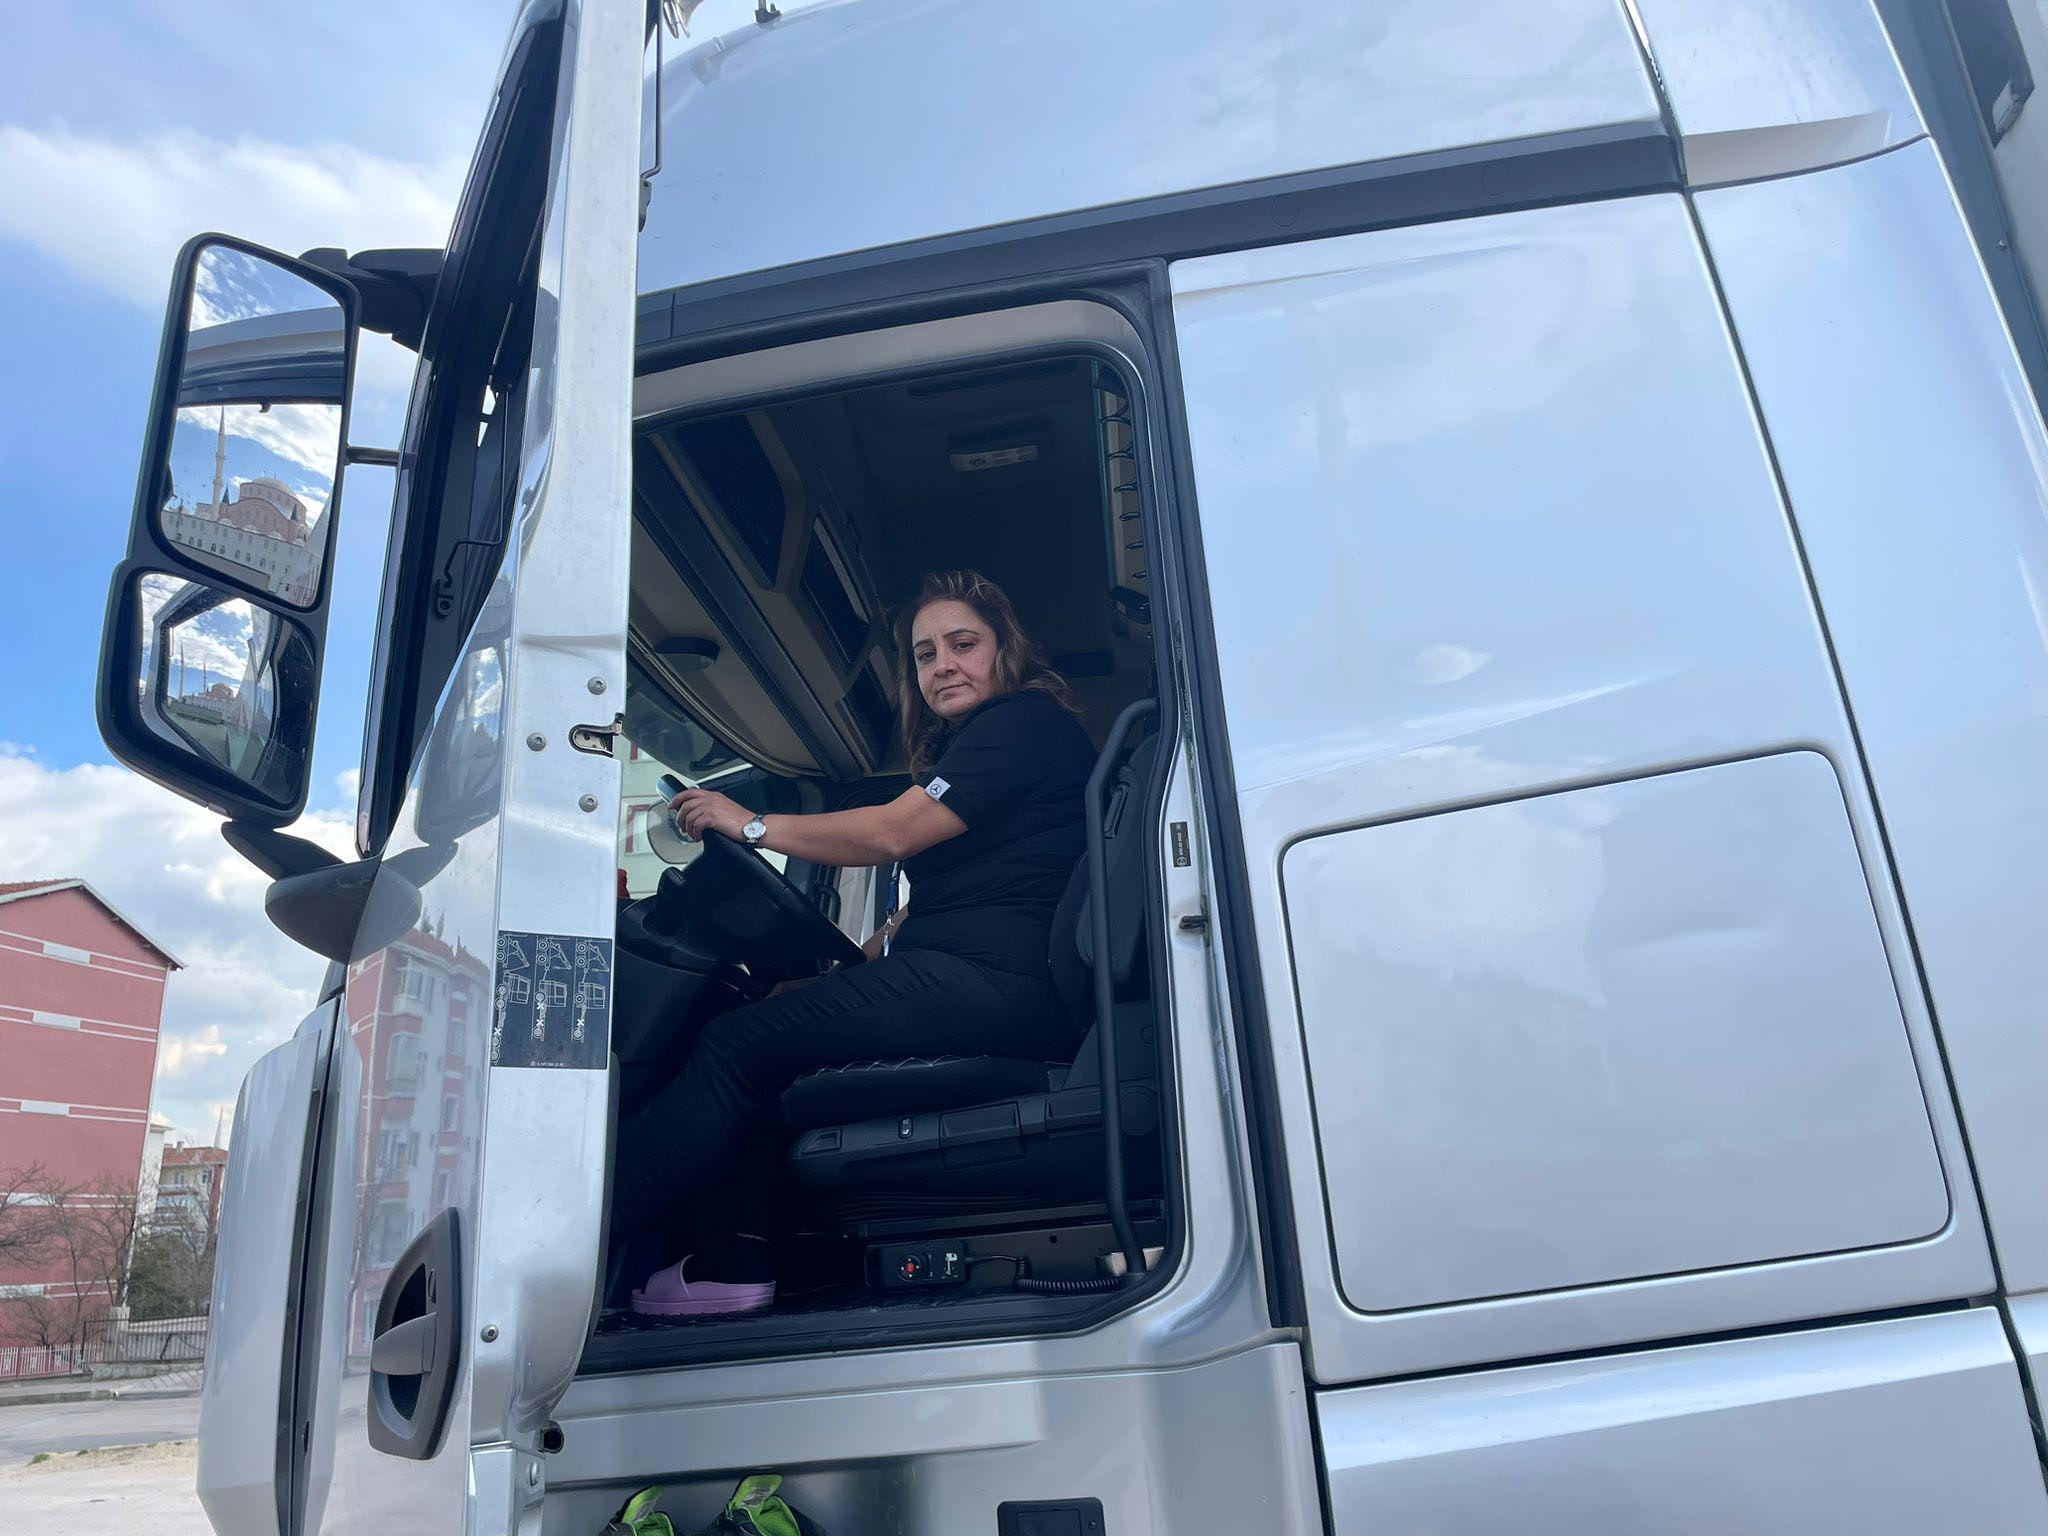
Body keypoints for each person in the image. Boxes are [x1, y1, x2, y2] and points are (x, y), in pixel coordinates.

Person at [613, 569, 1096, 1315]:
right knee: (766, 1032)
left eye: (963, 645)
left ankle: (609, 1250)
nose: (943, 666)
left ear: (1005, 652)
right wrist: (829, 978)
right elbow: (917, 912)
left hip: (992, 979)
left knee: (733, 1046)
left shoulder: (1023, 722)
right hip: (982, 977)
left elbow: (893, 833)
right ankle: (745, 1255)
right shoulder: (987, 749)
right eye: (926, 654)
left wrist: (749, 824)